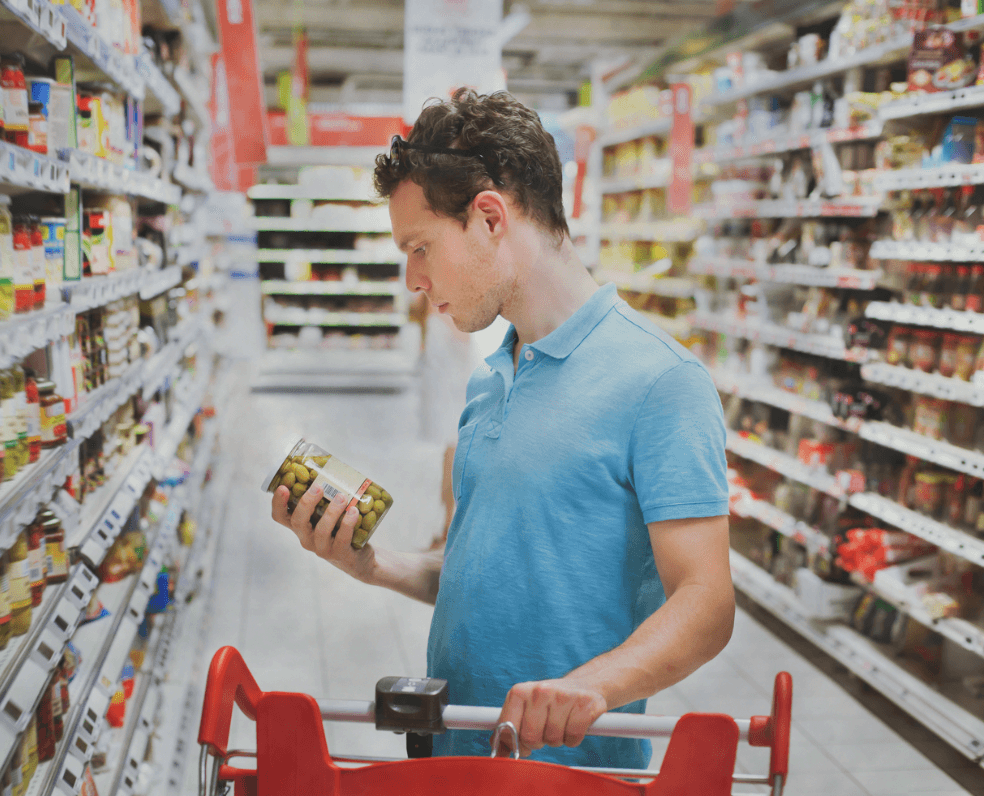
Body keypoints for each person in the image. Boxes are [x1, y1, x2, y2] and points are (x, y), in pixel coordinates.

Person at [270, 88, 734, 769]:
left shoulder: (661, 382)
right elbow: (487, 570)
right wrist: (377, 566)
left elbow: (707, 601)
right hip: (458, 755)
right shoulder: (492, 376)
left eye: (420, 246)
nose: (413, 279)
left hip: (571, 774)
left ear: (489, 217)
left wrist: (590, 687)